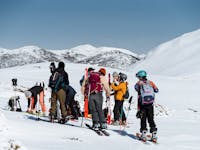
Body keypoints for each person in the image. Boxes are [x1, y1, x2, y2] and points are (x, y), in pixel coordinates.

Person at [134, 70, 159, 141]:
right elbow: (156, 90)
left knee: (143, 119)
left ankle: (143, 133)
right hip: (150, 104)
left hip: (142, 104)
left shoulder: (139, 83)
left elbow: (136, 88)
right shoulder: (151, 82)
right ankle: (154, 133)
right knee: (151, 118)